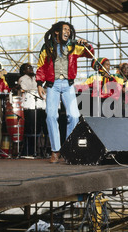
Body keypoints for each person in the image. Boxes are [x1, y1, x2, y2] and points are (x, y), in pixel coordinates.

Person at [36, 21, 94, 163]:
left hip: (68, 85)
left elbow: (90, 54)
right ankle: (55, 151)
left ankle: (68, 149)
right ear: (57, 32)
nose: (68, 32)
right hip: (52, 85)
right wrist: (39, 83)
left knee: (74, 116)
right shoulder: (47, 47)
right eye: (65, 29)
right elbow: (41, 66)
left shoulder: (73, 46)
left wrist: (86, 45)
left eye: (69, 30)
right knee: (51, 116)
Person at [18, 63, 47, 157]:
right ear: (23, 71)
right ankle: (29, 150)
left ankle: (41, 149)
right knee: (31, 127)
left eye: (31, 67)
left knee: (40, 127)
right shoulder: (22, 78)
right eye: (28, 67)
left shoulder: (37, 78)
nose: (31, 69)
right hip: (29, 105)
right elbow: (25, 89)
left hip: (40, 105)